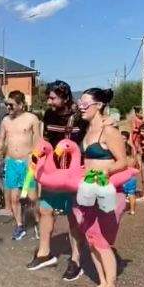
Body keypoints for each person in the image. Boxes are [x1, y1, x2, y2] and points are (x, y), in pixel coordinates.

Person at [72, 88, 128, 287]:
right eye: (80, 103)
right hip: (88, 191)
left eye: (85, 103)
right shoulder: (87, 131)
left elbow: (124, 161)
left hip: (107, 190)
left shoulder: (109, 131)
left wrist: (105, 172)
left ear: (99, 105)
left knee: (101, 239)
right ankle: (102, 283)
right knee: (90, 238)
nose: (81, 106)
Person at [30, 81, 85, 276]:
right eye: (48, 97)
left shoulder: (80, 116)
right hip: (52, 174)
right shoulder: (49, 114)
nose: (49, 101)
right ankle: (44, 253)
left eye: (53, 98)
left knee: (73, 217)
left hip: (73, 175)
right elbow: (46, 140)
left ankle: (76, 260)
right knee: (45, 210)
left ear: (66, 97)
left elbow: (94, 131)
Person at [0, 90, 41, 241]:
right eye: (6, 105)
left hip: (27, 162)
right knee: (14, 198)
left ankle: (38, 222)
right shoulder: (5, 121)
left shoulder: (32, 119)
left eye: (11, 105)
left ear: (21, 105)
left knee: (32, 197)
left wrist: (35, 161)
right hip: (11, 163)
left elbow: (38, 143)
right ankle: (19, 226)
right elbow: (0, 141)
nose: (8, 108)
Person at [120, 131, 139, 215]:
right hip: (131, 174)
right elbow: (135, 160)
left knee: (122, 193)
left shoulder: (119, 148)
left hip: (124, 174)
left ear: (127, 139)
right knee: (131, 193)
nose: (121, 140)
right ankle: (132, 210)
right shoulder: (132, 149)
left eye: (123, 138)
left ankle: (121, 209)